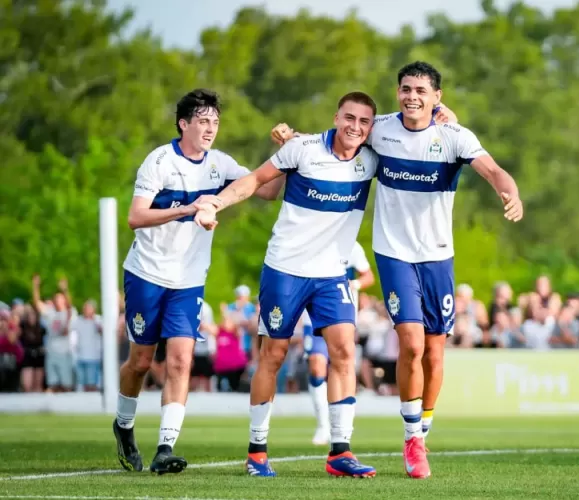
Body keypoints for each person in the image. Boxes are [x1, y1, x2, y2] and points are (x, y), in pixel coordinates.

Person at [271, 61, 523, 479]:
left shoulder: (454, 136)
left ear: (437, 97)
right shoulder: (381, 129)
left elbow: (494, 171)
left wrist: (509, 193)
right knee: (411, 344)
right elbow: (338, 140)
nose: (412, 97)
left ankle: (424, 427)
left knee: (435, 353)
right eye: (406, 89)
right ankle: (412, 439)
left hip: (437, 256)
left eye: (421, 91)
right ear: (398, 92)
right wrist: (290, 137)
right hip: (393, 253)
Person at [194, 91, 380, 478]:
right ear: (336, 117)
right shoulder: (302, 149)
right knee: (273, 356)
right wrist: (215, 203)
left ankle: (340, 451)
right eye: (349, 118)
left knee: (344, 351)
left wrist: (442, 114)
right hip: (285, 269)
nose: (355, 127)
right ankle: (257, 452)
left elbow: (413, 135)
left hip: (332, 274)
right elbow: (255, 180)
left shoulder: (372, 157)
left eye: (364, 121)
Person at [112, 89, 282, 475]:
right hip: (146, 274)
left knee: (180, 359)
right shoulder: (159, 161)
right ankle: (123, 425)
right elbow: (136, 217)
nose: (210, 128)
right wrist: (189, 209)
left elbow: (268, 191)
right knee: (140, 362)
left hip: (188, 281)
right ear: (183, 124)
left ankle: (165, 448)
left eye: (215, 122)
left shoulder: (220, 164)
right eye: (203, 121)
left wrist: (285, 155)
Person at [305, 241, 375, 446]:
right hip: (313, 313)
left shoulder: (352, 245)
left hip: (343, 315)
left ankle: (342, 430)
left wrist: (355, 284)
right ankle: (322, 425)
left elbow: (368, 276)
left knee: (342, 366)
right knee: (316, 366)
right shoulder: (311, 240)